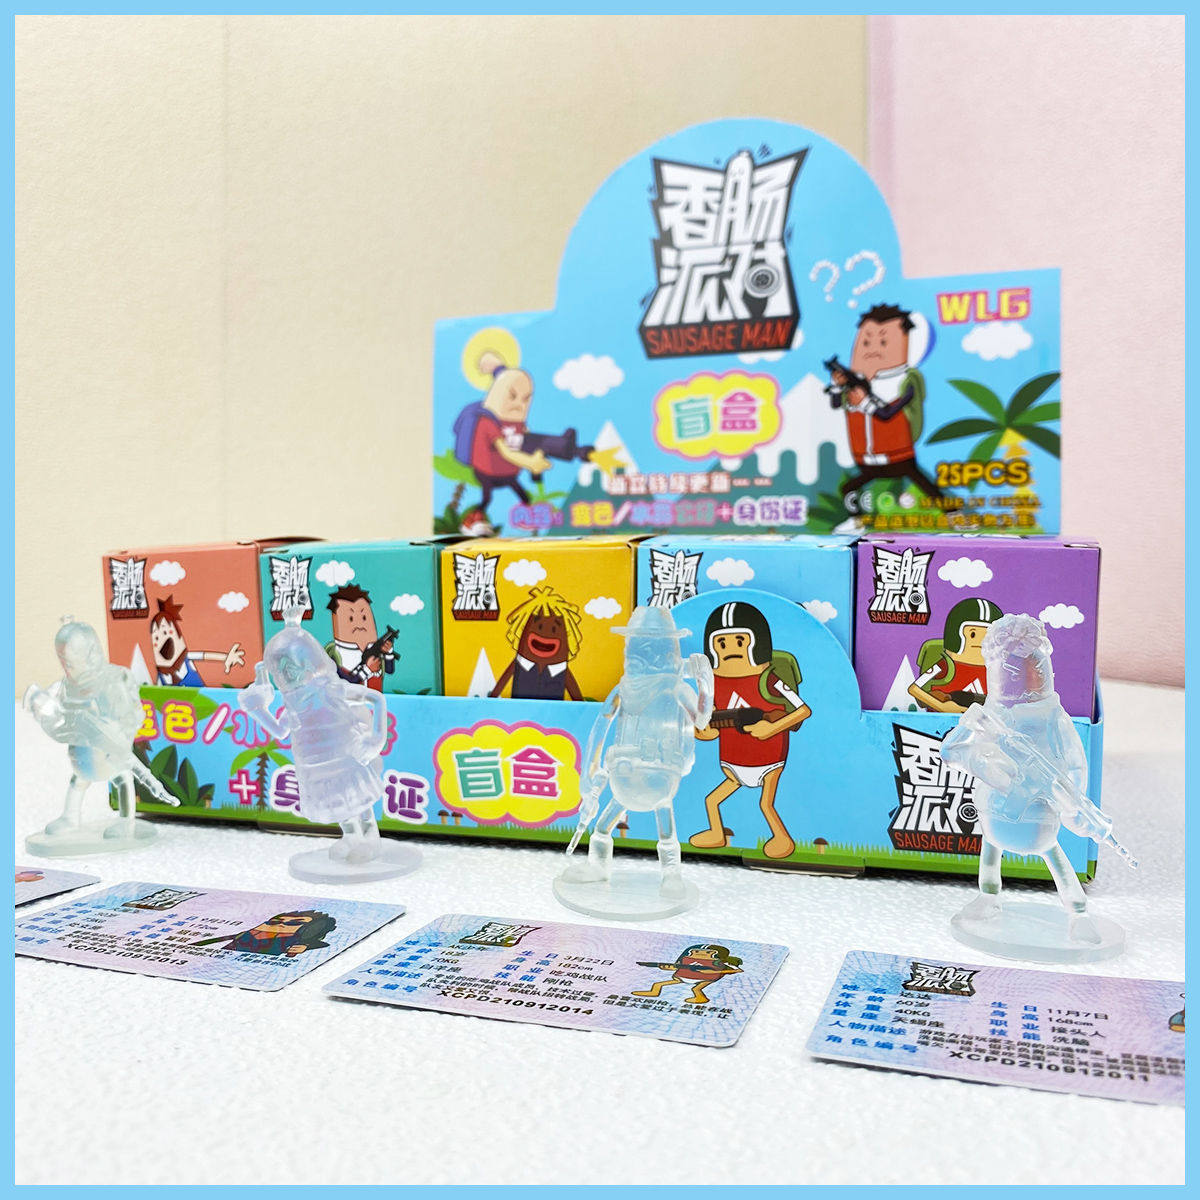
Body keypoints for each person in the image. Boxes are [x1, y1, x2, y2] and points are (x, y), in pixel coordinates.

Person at [688, 602, 810, 859]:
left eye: (739, 641)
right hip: (732, 762)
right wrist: (704, 731)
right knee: (711, 800)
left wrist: (772, 728)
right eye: (722, 643)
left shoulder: (770, 680)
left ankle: (783, 838)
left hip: (769, 760)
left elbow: (803, 711)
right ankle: (717, 834)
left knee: (766, 803)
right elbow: (711, 724)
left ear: (758, 644)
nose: (731, 650)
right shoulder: (714, 684)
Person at [826, 303, 943, 507]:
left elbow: (888, 414)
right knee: (848, 489)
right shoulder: (856, 385)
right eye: (866, 342)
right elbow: (837, 405)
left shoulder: (906, 381)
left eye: (883, 342)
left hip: (898, 455)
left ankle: (951, 512)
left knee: (923, 484)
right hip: (866, 459)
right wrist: (836, 386)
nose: (872, 350)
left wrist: (865, 403)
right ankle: (857, 519)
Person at [491, 585, 584, 701]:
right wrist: (491, 700)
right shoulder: (520, 664)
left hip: (552, 710)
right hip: (520, 709)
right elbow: (501, 684)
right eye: (539, 626)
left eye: (554, 629)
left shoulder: (561, 670)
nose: (546, 633)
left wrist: (583, 707)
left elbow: (576, 696)